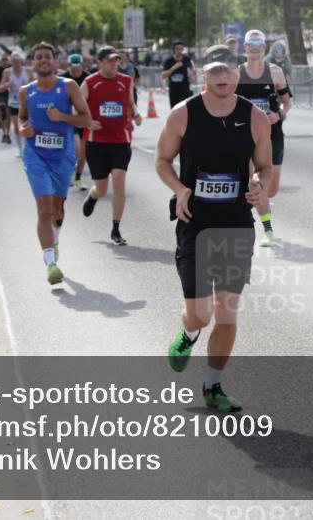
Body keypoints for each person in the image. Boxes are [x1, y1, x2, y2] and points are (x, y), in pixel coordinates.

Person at [156, 44, 272, 412]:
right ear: (202, 74)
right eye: (214, 71)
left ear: (237, 74)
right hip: (195, 222)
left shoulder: (254, 118)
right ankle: (189, 333)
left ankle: (212, 386)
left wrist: (259, 183)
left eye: (228, 71)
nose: (222, 77)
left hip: (237, 222)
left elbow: (265, 166)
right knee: (201, 314)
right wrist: (179, 189)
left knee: (226, 311)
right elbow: (161, 160)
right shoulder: (182, 115)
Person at [18, 42, 92, 284]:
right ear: (33, 63)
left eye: (47, 56)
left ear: (55, 61)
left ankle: (55, 237)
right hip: (35, 155)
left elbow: (86, 119)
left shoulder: (68, 87)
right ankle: (50, 263)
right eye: (38, 57)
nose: (43, 60)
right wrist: (23, 129)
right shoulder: (25, 91)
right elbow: (22, 118)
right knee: (43, 209)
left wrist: (62, 117)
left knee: (57, 209)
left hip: (63, 156)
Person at [235, 29, 293, 247]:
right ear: (246, 48)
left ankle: (260, 203)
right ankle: (267, 231)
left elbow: (287, 102)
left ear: (264, 49)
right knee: (255, 186)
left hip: (272, 136)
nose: (255, 50)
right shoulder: (237, 73)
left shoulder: (275, 72)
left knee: (271, 189)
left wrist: (278, 114)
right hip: (245, 136)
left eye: (259, 46)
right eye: (252, 46)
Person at [81, 46, 143, 245]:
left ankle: (115, 229)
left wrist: (137, 114)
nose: (114, 64)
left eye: (116, 60)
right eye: (110, 60)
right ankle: (93, 196)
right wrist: (88, 122)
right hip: (97, 142)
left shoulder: (126, 80)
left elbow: (131, 104)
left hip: (120, 140)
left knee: (118, 180)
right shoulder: (90, 82)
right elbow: (78, 108)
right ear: (99, 63)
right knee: (102, 188)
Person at [0, 52, 34, 158]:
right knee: (16, 125)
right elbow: (1, 87)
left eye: (18, 61)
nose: (16, 63)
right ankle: (19, 149)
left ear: (21, 61)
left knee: (26, 124)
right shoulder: (7, 72)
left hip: (26, 101)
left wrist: (29, 83)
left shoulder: (28, 70)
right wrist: (7, 84)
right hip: (13, 101)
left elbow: (35, 83)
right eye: (14, 61)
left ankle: (26, 147)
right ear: (12, 62)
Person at [64, 54, 89, 190]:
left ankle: (78, 179)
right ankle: (68, 175)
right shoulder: (62, 79)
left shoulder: (88, 78)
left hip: (84, 118)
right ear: (68, 67)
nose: (76, 71)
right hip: (69, 119)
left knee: (83, 154)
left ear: (82, 65)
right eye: (73, 68)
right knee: (76, 149)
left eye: (78, 68)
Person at [161, 41, 195, 109]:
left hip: (185, 90)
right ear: (174, 50)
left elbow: (193, 71)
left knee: (185, 110)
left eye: (181, 49)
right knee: (175, 110)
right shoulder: (169, 61)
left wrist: (193, 77)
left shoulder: (187, 59)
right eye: (177, 49)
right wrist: (174, 67)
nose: (179, 51)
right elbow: (163, 76)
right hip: (174, 91)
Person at [0, 55, 12, 144]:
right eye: (3, 60)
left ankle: (6, 133)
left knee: (8, 114)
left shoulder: (10, 69)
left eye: (6, 59)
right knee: (3, 112)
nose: (4, 61)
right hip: (1, 93)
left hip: (9, 93)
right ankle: (4, 132)